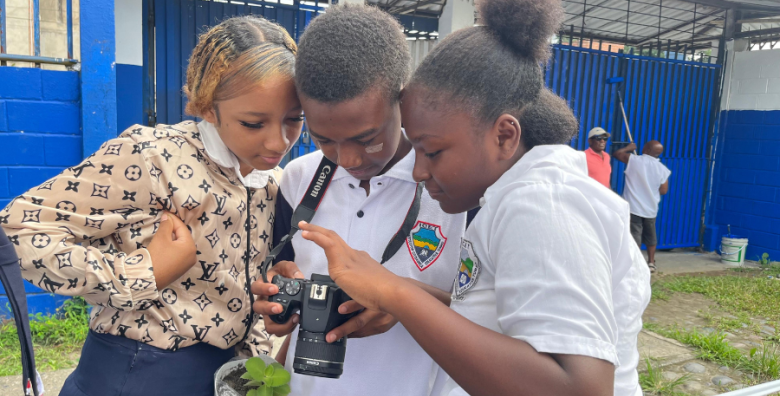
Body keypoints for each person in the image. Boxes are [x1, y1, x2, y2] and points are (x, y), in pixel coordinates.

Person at [293, 0, 652, 395]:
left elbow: (581, 387)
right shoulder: (512, 199)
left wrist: (394, 292)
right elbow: (491, 320)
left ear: (504, 136)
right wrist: (397, 297)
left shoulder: (542, 204)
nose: (417, 170)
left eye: (432, 152)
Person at [1, 16, 303, 396]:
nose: (279, 143)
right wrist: (142, 274)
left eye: (294, 120)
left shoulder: (269, 180)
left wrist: (271, 282)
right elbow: (15, 231)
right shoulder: (151, 157)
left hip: (226, 376)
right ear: (207, 107)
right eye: (253, 123)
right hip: (136, 374)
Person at [250, 4, 467, 396]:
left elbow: (490, 317)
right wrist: (277, 297)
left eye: (367, 139)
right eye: (324, 139)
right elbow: (282, 270)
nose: (347, 160)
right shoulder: (299, 179)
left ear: (404, 99)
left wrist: (403, 303)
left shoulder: (457, 189)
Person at [614, 140, 671, 273]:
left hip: (633, 208)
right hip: (650, 209)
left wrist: (629, 147)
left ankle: (635, 263)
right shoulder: (663, 169)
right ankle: (651, 262)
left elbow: (617, 154)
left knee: (634, 237)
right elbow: (663, 190)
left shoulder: (634, 160)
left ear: (645, 150)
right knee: (651, 237)